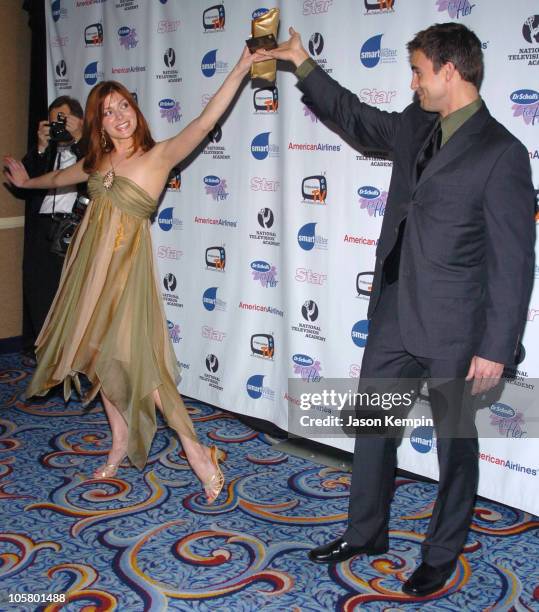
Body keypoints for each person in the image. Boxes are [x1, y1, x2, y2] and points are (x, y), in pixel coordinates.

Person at [263, 23, 535, 596]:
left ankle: (441, 552)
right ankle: (366, 532)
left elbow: (515, 261)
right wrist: (301, 65)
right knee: (373, 428)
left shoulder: (502, 153)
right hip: (393, 313)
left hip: (458, 330)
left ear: (448, 71)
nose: (411, 82)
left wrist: (496, 347)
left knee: (453, 447)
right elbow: (359, 118)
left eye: (417, 71)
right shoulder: (415, 124)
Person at [4, 46, 266, 503]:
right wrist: (26, 183)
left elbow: (205, 122)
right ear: (98, 123)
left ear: (135, 109)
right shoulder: (98, 162)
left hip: (127, 278)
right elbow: (57, 181)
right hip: (90, 276)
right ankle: (120, 443)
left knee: (148, 372)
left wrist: (242, 68)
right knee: (99, 360)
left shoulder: (158, 156)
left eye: (123, 105)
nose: (119, 115)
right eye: (107, 112)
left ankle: (198, 453)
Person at [20, 96, 85, 359]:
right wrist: (41, 145)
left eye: (63, 119)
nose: (58, 126)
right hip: (42, 231)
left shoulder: (89, 149)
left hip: (74, 228)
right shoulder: (45, 151)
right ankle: (45, 362)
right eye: (53, 120)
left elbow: (99, 173)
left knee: (73, 301)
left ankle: (74, 362)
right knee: (40, 295)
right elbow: (22, 181)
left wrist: (79, 137)